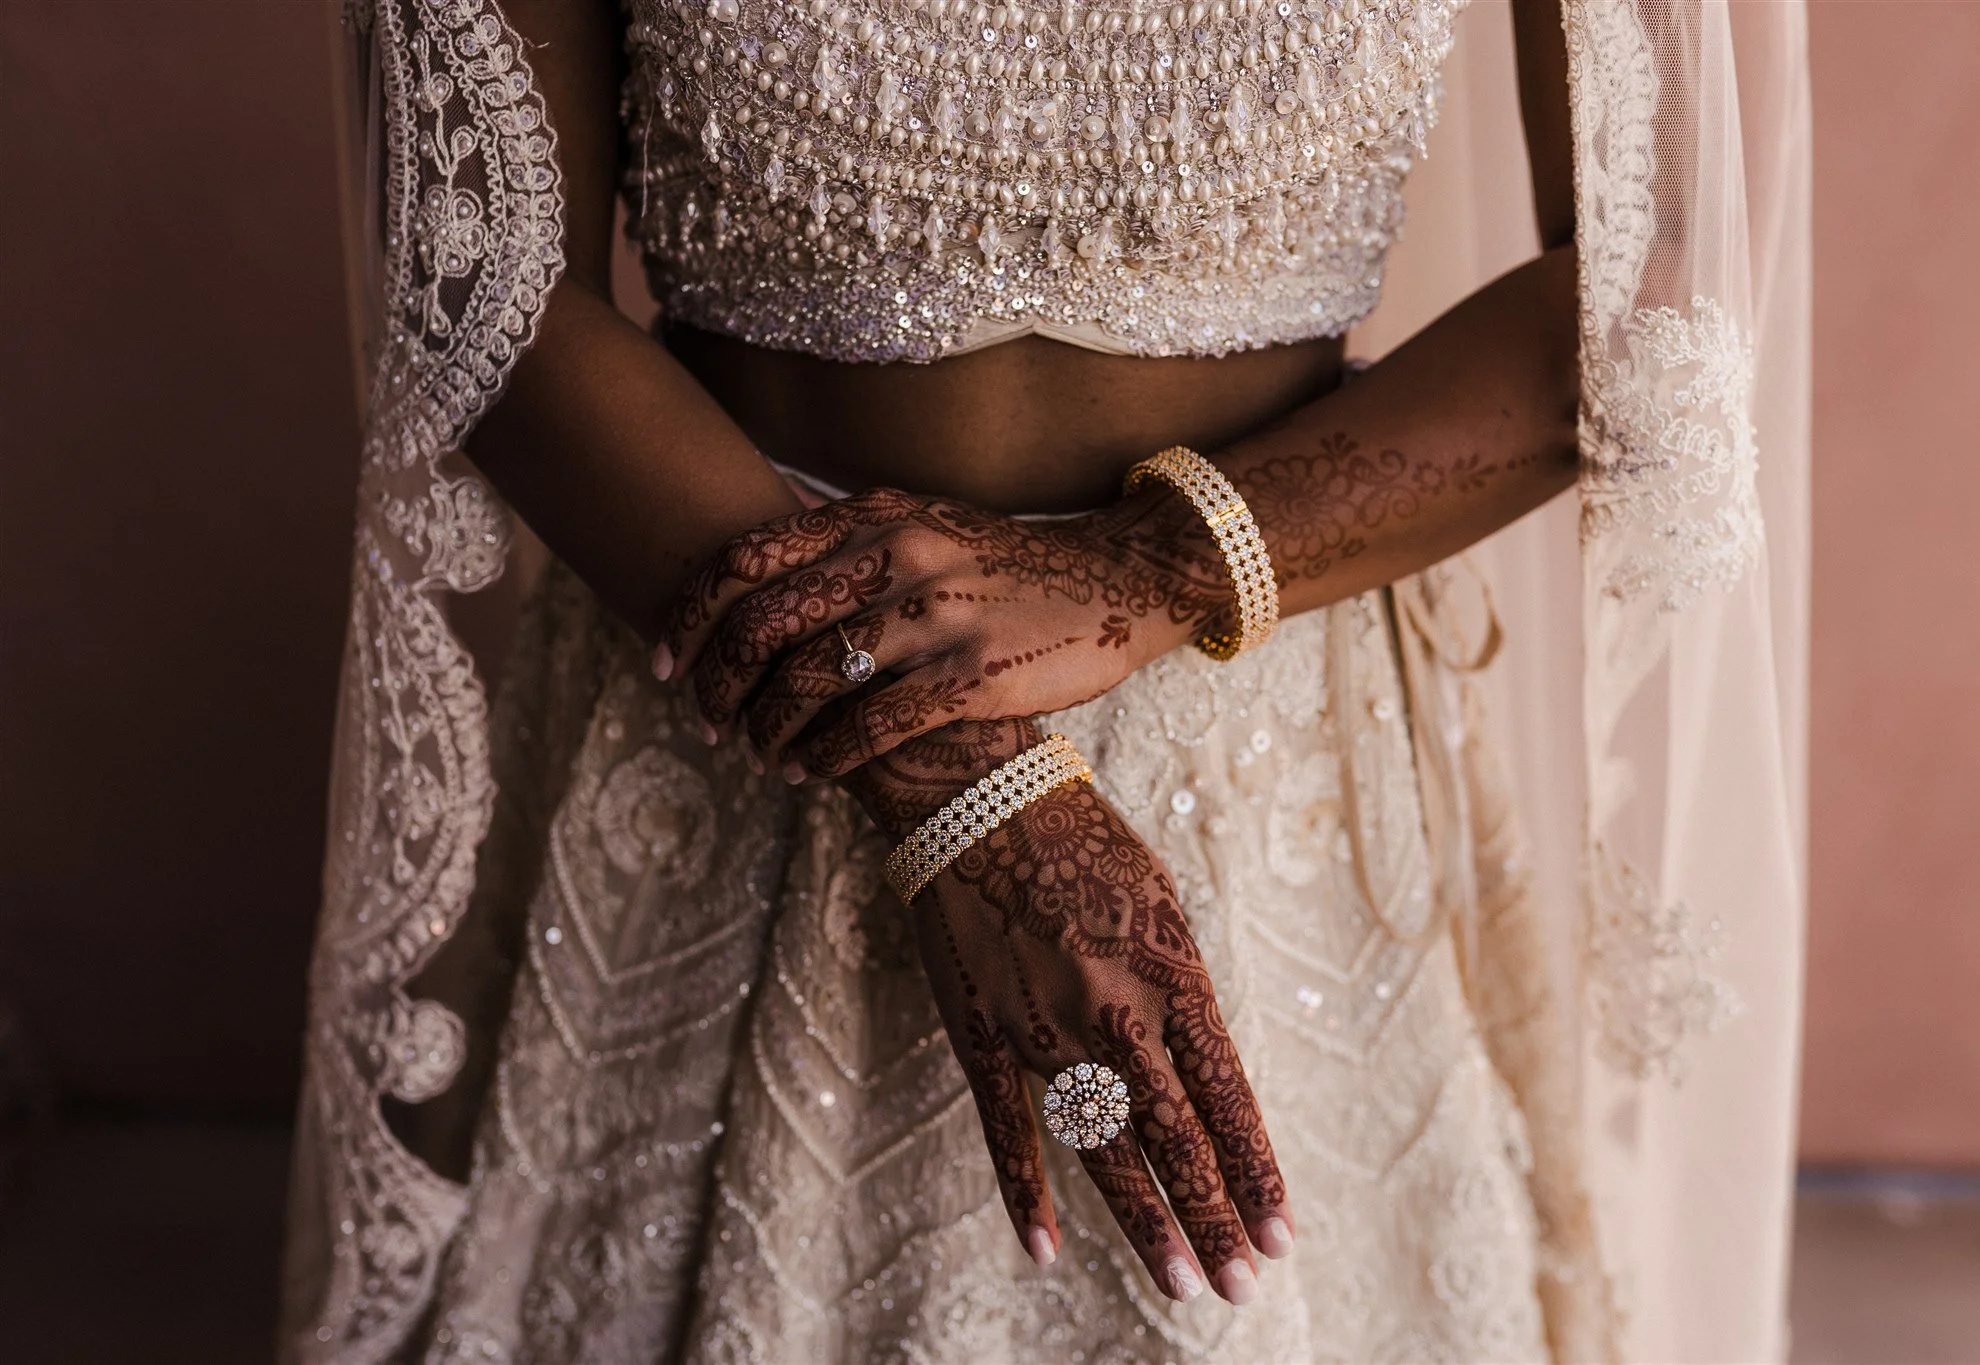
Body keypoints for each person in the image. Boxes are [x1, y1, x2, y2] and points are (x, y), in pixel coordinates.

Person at [284, 0, 1810, 1359]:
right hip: (747, 725)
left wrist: (1149, 570)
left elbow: (1659, 278)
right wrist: (961, 781)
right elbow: (479, 263)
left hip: (1271, 766)